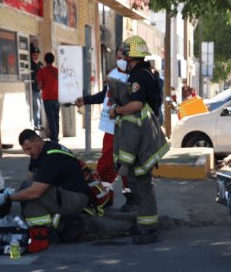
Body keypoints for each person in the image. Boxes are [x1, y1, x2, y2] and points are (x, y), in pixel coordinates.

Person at [109, 36, 167, 245]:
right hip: (142, 135)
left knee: (143, 183)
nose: (120, 58)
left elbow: (136, 105)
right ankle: (144, 222)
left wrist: (116, 111)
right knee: (136, 181)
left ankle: (149, 228)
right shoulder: (144, 73)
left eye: (122, 54)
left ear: (131, 56)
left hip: (142, 137)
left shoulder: (139, 77)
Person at [3, 128, 91, 253]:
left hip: (75, 198)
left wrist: (9, 197)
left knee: (31, 197)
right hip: (65, 193)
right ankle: (52, 227)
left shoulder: (51, 155)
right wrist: (18, 192)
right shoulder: (38, 152)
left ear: (38, 141)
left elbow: (35, 191)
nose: (28, 153)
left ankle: (42, 235)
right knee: (26, 189)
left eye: (29, 149)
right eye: (25, 150)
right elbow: (30, 177)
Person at [74, 46, 132, 211]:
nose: (120, 59)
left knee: (121, 164)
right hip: (110, 126)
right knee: (107, 165)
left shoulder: (133, 76)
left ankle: (129, 198)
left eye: (124, 56)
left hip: (123, 127)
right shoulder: (113, 74)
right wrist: (86, 100)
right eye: (118, 55)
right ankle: (107, 196)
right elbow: (103, 96)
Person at [36, 52, 60, 140]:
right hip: (56, 97)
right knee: (56, 118)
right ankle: (56, 136)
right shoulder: (57, 71)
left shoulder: (42, 71)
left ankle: (54, 138)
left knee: (51, 119)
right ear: (53, 60)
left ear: (45, 60)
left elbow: (40, 85)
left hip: (47, 97)